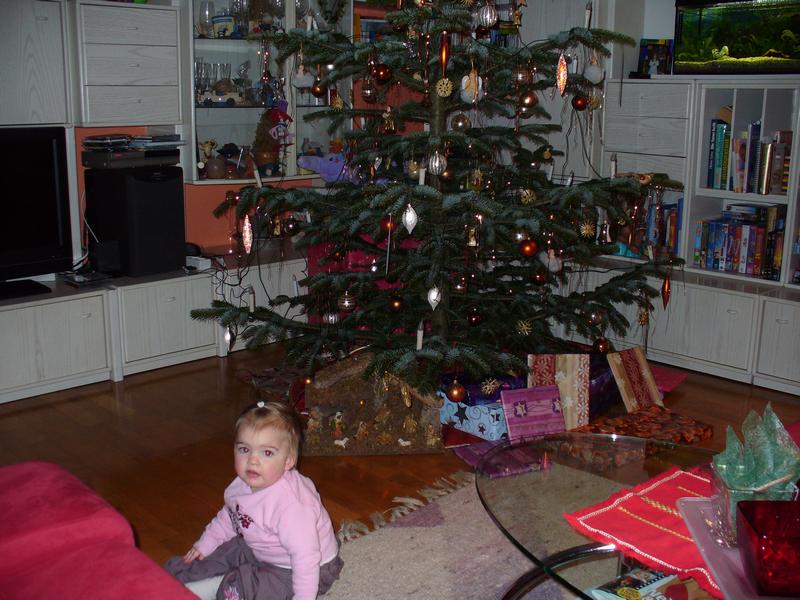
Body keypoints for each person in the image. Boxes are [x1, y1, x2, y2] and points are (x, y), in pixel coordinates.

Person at [165, 400, 343, 600]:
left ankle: (221, 588)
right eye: (244, 449)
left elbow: (306, 559)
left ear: (288, 461)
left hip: (302, 569)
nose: (252, 460)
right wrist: (205, 544)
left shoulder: (292, 506)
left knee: (247, 589)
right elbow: (229, 517)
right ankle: (181, 578)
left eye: (267, 452)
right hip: (261, 547)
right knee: (221, 552)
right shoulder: (241, 485)